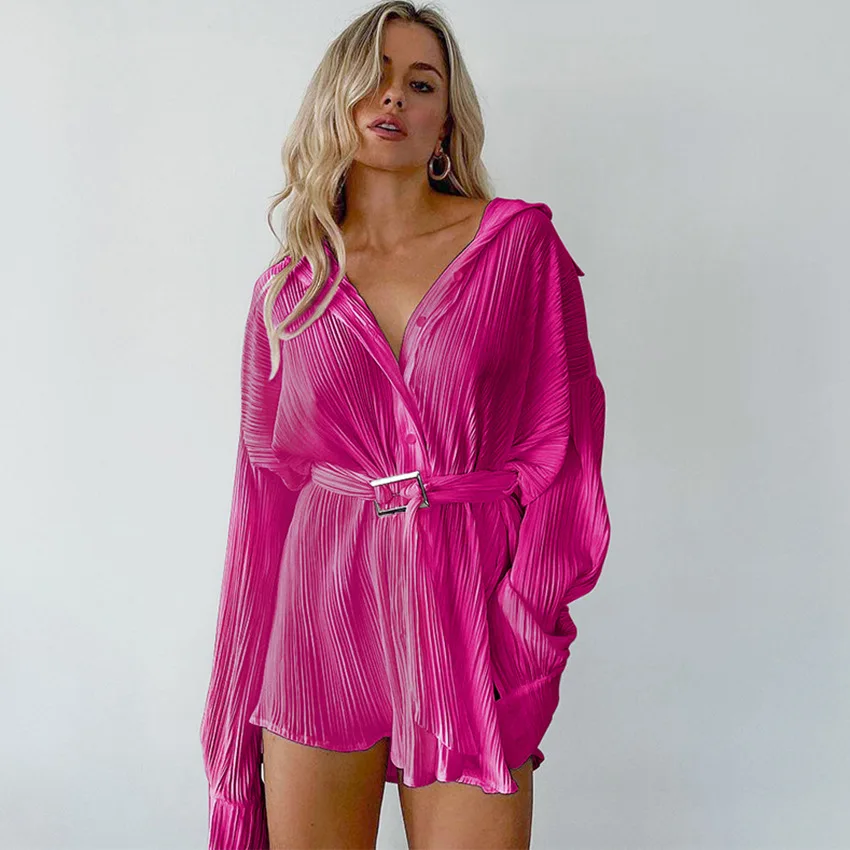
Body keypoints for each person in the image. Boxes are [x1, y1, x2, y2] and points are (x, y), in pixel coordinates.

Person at [199, 2, 611, 848]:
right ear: (337, 101)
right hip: (321, 614)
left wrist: (523, 629)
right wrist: (233, 714)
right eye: (373, 78)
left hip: (468, 614)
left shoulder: (517, 248)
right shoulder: (289, 290)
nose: (392, 98)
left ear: (446, 121)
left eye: (420, 84)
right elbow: (263, 504)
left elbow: (567, 454)